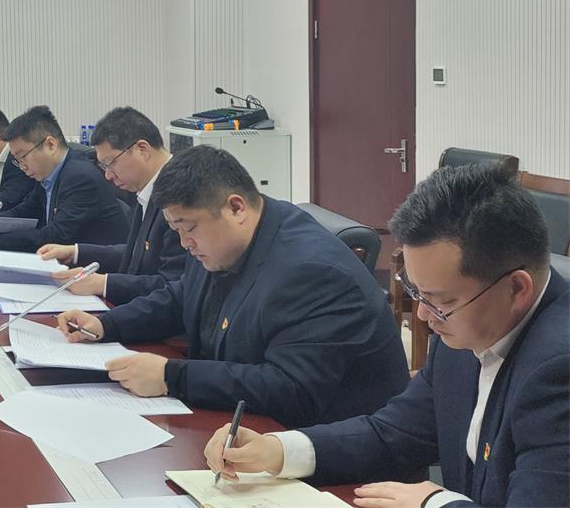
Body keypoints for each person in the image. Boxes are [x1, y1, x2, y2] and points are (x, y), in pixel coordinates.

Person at [204, 162, 567, 508]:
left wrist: (434, 501)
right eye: (417, 293)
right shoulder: (468, 324)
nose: (423, 316)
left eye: (441, 301)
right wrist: (279, 450)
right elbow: (394, 433)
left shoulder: (557, 371)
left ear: (517, 289)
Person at [57, 145, 408, 428]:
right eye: (176, 230)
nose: (184, 243)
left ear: (236, 207)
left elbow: (290, 388)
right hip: (245, 430)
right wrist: (107, 324)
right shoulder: (227, 241)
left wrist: (172, 376)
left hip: (330, 457)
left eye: (188, 228)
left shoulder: (310, 272)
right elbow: (182, 297)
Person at [37, 106, 187, 304]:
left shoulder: (181, 195)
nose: (108, 175)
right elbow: (139, 254)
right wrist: (75, 252)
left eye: (110, 163)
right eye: (104, 166)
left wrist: (103, 284)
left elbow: (174, 285)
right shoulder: (147, 188)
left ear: (142, 149)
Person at [0, 105, 128, 252]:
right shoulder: (48, 176)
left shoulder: (78, 176)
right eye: (17, 160)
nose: (21, 166)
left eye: (23, 157)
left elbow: (53, 236)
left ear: (50, 145)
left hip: (98, 273)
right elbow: (23, 211)